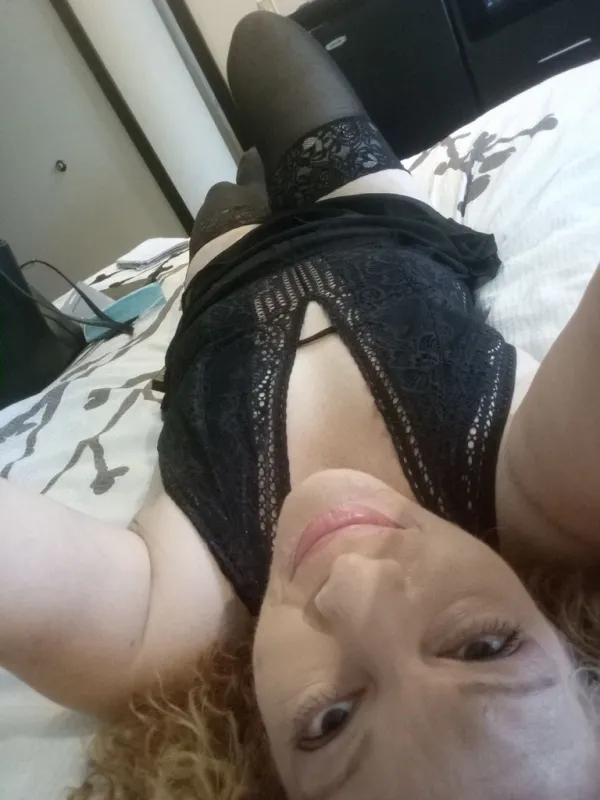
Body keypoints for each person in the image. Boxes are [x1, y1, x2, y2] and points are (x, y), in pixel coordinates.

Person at [1, 11, 599, 800]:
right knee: (258, 38)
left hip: (222, 278)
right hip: (373, 215)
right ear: (583, 670)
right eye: (483, 647)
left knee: (231, 180)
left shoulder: (174, 623)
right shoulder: (553, 501)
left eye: (331, 720)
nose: (350, 581)